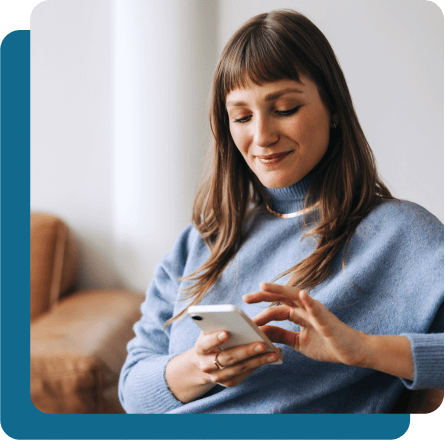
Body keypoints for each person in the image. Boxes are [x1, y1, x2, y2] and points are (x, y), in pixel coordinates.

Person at [118, 9, 443, 414]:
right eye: (241, 116)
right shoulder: (203, 241)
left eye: (286, 108)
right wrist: (201, 367)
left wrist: (364, 349)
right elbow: (133, 391)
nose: (262, 136)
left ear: (335, 109)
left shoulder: (403, 235)